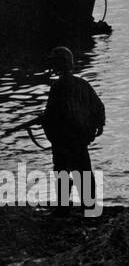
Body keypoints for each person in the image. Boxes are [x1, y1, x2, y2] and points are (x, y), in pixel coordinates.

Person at [39, 47, 103, 213]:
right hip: (80, 138)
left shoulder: (58, 87)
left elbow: (52, 114)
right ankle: (90, 206)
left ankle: (62, 208)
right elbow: (98, 107)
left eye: (55, 63)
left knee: (61, 171)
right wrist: (98, 126)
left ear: (60, 65)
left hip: (64, 139)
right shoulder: (83, 84)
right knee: (83, 170)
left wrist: (44, 121)